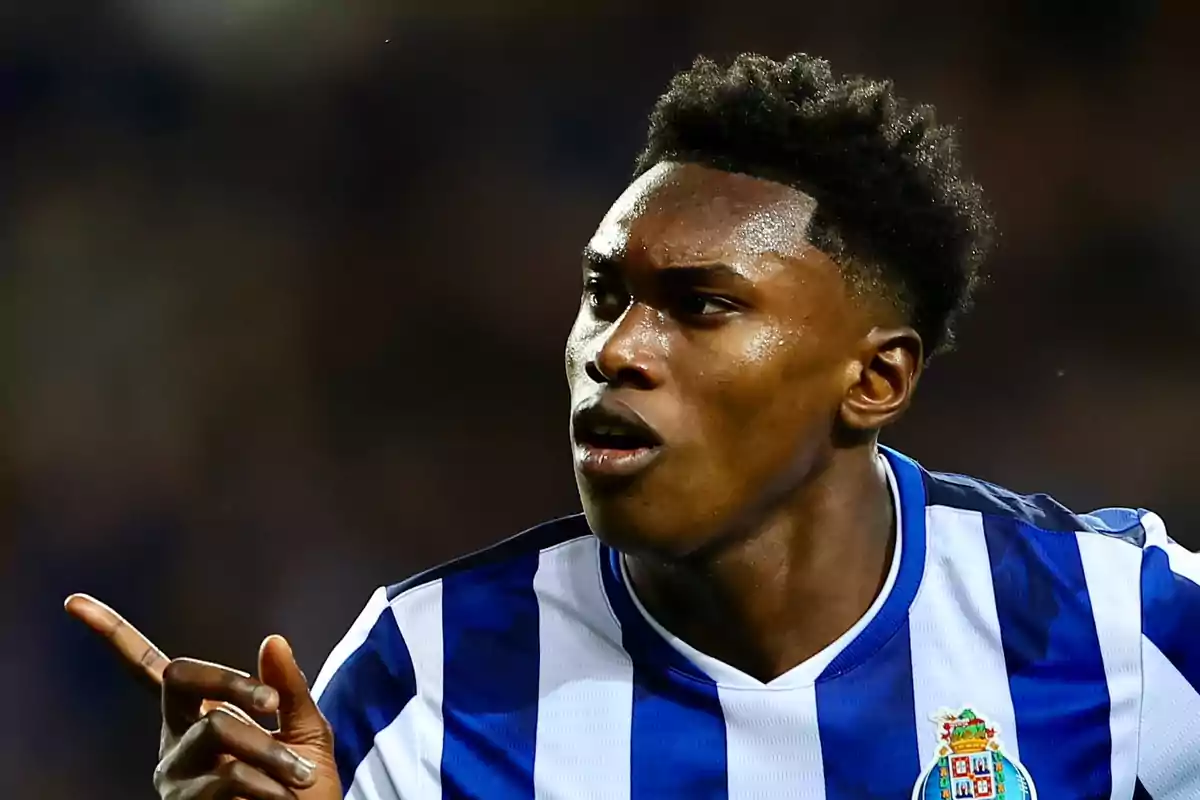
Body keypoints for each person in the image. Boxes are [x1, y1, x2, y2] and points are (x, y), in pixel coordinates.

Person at [66, 51, 1199, 800]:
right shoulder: (432, 666)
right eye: (605, 294)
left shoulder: (1116, 623)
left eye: (701, 306)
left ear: (875, 379)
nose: (613, 347)